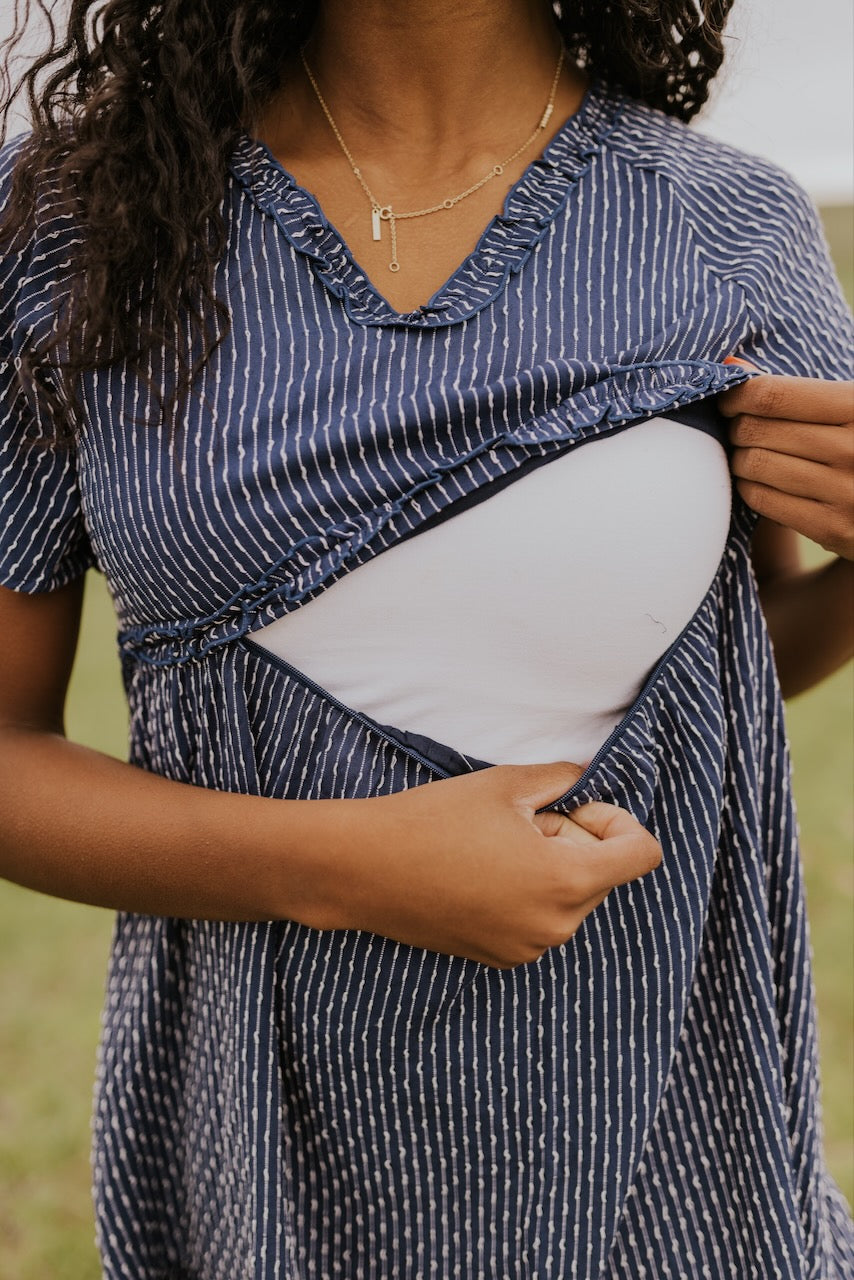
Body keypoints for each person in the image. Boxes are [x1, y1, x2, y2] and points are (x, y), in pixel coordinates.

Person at [1, 0, 852, 1276]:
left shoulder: (725, 221)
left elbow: (720, 661)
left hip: (676, 1149)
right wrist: (344, 864)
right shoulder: (78, 222)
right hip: (270, 1158)